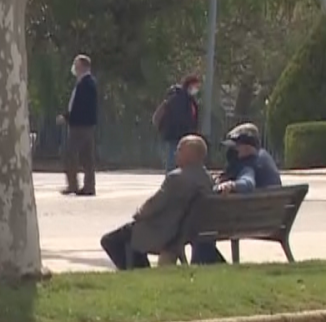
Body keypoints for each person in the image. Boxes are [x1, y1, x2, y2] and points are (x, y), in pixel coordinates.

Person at [100, 135, 212, 270]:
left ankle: (139, 270)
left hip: (163, 231)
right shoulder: (207, 179)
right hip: (184, 230)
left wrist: (139, 214)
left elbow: (155, 204)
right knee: (127, 236)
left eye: (180, 150)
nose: (176, 154)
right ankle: (140, 269)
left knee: (110, 240)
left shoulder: (176, 178)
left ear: (191, 155)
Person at [190, 123, 282, 264]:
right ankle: (213, 263)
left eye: (235, 147)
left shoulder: (249, 164)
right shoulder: (264, 159)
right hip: (270, 219)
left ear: (246, 147)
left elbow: (247, 182)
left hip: (248, 220)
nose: (232, 153)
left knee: (201, 226)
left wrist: (231, 184)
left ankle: (210, 264)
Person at [57, 54, 98, 196]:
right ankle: (88, 187)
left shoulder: (86, 84)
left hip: (80, 126)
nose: (74, 68)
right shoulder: (87, 83)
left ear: (82, 66)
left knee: (70, 154)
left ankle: (73, 185)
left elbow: (79, 106)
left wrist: (67, 118)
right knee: (87, 158)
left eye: (76, 64)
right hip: (86, 125)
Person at [153, 74, 201, 172]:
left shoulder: (190, 100)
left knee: (179, 161)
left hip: (184, 136)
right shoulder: (178, 98)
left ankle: (175, 180)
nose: (197, 89)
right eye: (195, 86)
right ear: (189, 85)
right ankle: (170, 181)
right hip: (176, 135)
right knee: (173, 160)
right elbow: (178, 118)